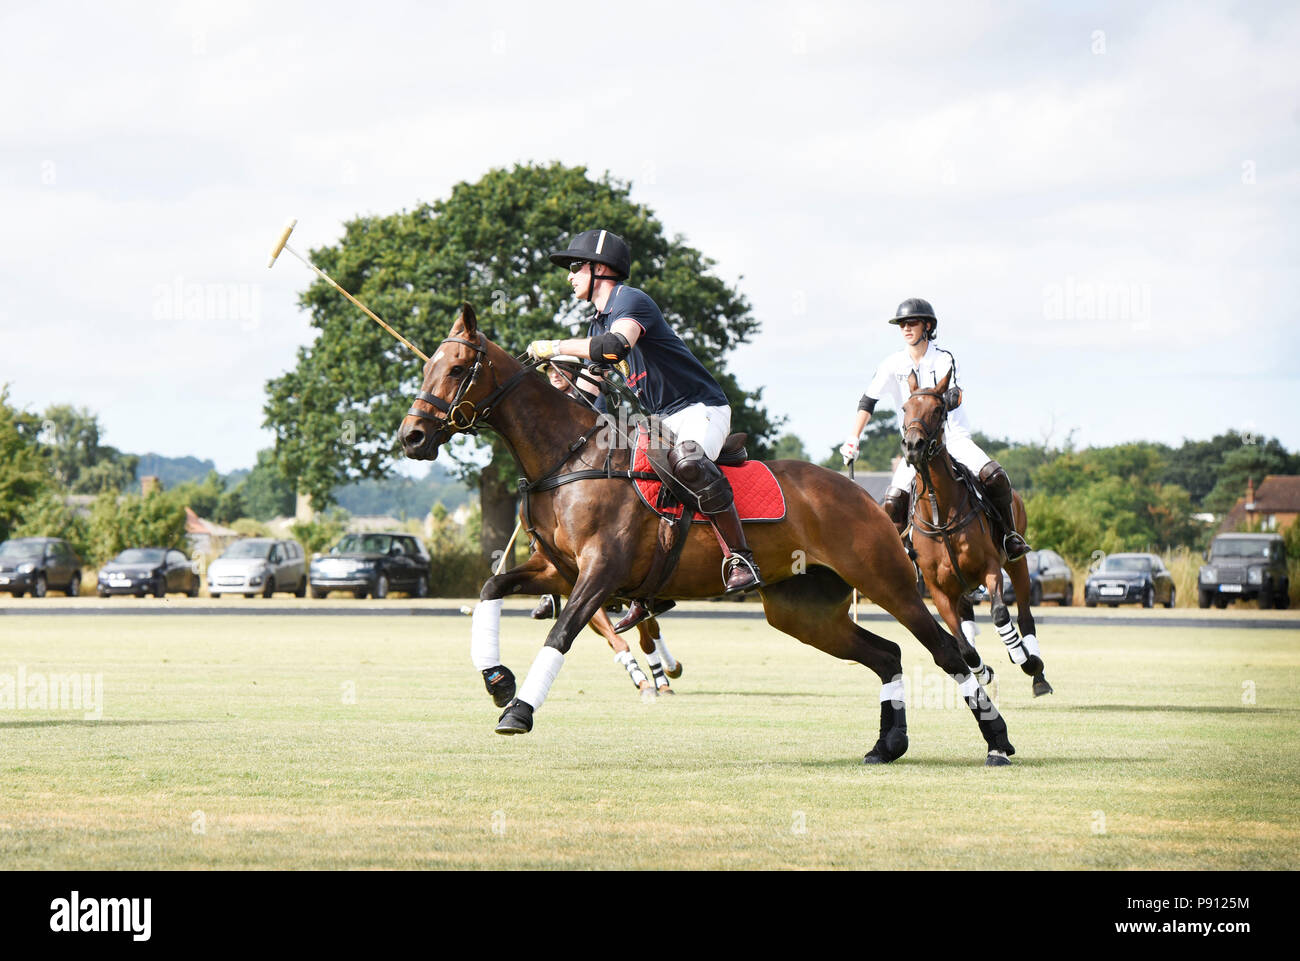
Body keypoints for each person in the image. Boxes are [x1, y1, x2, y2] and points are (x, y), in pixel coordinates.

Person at [527, 228, 761, 605]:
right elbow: (586, 396)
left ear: (600, 269)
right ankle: (650, 587)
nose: (569, 277)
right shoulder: (596, 324)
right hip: (661, 420)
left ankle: (741, 558)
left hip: (700, 407)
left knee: (689, 463)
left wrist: (555, 346)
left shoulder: (629, 301)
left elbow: (613, 347)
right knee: (627, 484)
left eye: (574, 267)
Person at [839, 298, 1029, 560]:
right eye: (902, 324)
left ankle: (1009, 536)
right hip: (915, 448)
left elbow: (955, 395)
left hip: (953, 439)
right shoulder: (892, 364)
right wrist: (853, 437)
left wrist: (944, 399)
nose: (906, 328)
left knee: (995, 476)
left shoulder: (944, 359)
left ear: (927, 326)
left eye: (912, 323)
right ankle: (900, 553)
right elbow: (868, 400)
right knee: (893, 500)